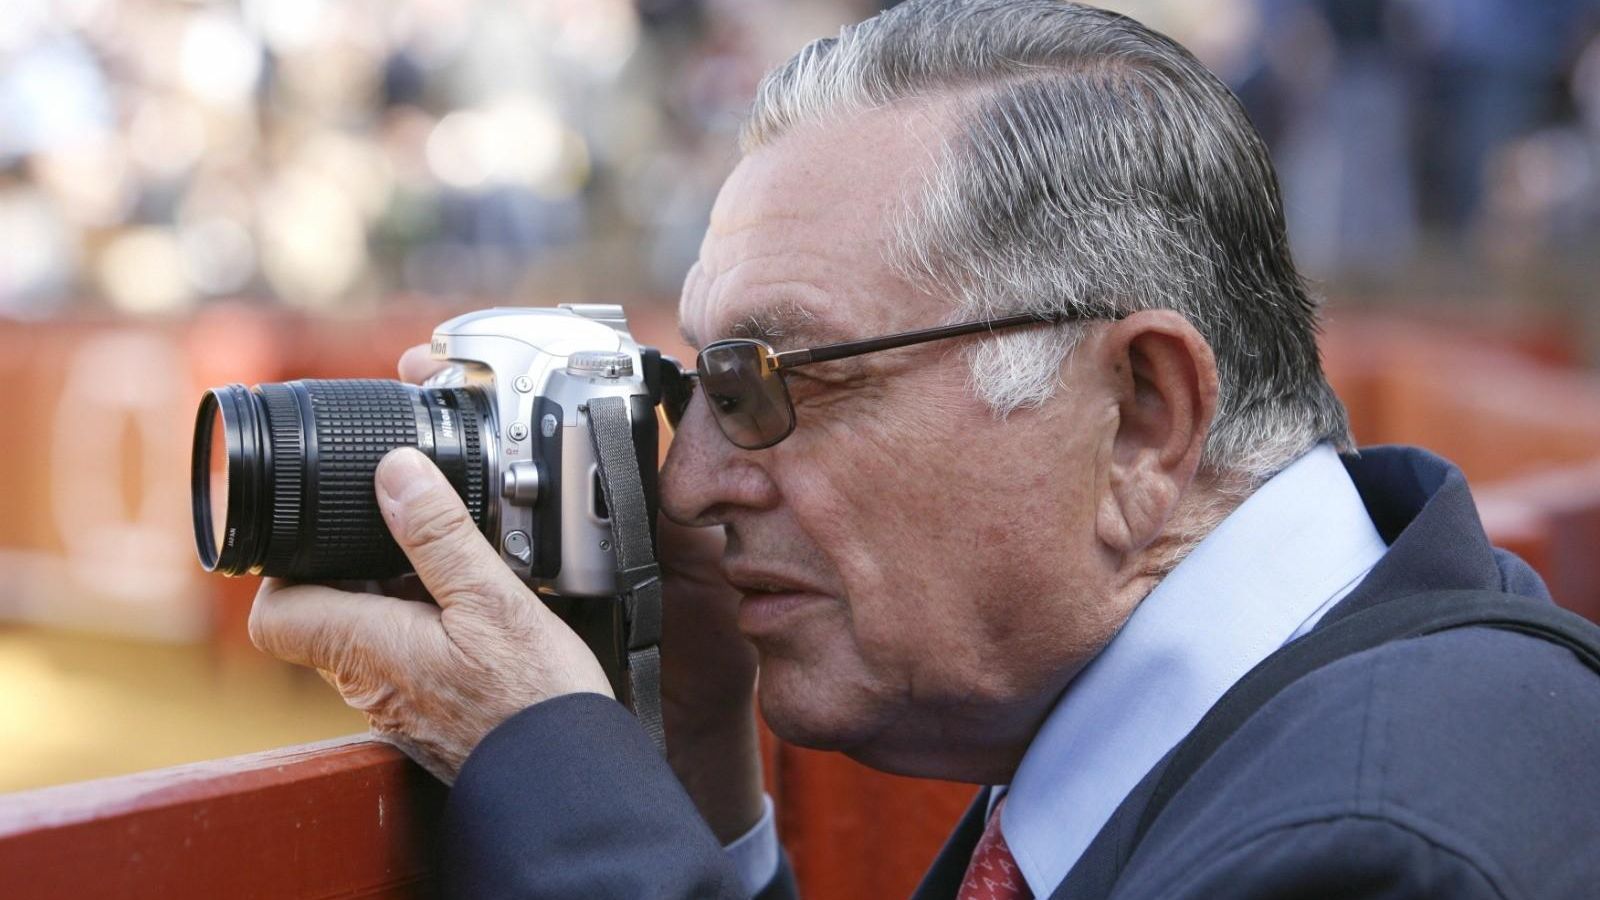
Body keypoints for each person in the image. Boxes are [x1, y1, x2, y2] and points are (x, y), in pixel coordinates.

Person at [248, 2, 1600, 898]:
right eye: (691, 384)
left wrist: (556, 780)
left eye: (766, 381)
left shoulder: (1372, 845)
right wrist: (686, 764)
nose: (686, 480)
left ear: (1141, 417)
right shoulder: (1325, 717)